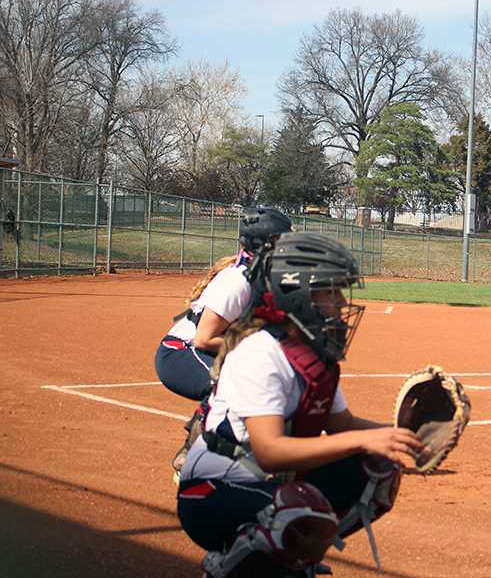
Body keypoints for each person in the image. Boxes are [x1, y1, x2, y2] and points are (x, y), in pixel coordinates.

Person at [176, 232, 423, 578]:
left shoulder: (310, 352)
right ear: (299, 296)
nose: (340, 303)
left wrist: (407, 435)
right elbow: (270, 452)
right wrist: (365, 440)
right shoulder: (260, 352)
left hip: (259, 480)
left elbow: (343, 425)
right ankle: (231, 563)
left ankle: (287, 555)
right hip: (211, 491)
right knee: (301, 512)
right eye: (330, 291)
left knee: (377, 470)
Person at [155, 206, 292, 472]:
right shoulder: (237, 283)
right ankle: (191, 453)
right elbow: (203, 339)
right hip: (180, 353)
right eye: (281, 241)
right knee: (238, 382)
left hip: (207, 350)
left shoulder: (265, 278)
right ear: (262, 244)